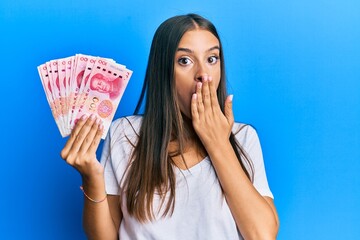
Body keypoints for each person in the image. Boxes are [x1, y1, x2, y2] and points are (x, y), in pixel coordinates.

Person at [61, 13, 279, 239]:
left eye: (212, 59)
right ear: (163, 72)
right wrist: (91, 178)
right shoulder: (125, 134)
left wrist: (218, 143)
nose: (203, 75)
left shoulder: (244, 138)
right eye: (185, 60)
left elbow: (262, 235)